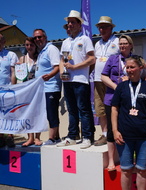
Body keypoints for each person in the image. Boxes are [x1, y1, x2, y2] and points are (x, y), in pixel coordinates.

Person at [111, 55, 146, 190]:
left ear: (140, 68)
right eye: (127, 67)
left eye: (132, 67)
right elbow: (114, 109)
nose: (129, 70)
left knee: (142, 170)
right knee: (126, 170)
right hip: (124, 137)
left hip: (145, 137)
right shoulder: (121, 87)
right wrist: (115, 131)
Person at [57, 10, 95, 149]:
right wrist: (62, 72)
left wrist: (76, 67)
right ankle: (71, 136)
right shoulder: (65, 41)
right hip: (67, 80)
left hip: (80, 79)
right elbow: (62, 60)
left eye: (73, 22)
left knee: (83, 109)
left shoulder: (85, 39)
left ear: (80, 24)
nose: (70, 25)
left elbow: (92, 58)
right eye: (68, 22)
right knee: (71, 110)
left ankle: (87, 137)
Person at [101, 34, 135, 171]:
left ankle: (127, 159)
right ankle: (111, 161)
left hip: (129, 100)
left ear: (131, 45)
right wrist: (116, 87)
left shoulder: (135, 59)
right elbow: (103, 76)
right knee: (111, 129)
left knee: (129, 129)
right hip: (112, 99)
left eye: (125, 43)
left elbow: (144, 75)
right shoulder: (113, 58)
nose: (122, 46)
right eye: (120, 43)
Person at [32, 29, 62, 146]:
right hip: (43, 89)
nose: (37, 39)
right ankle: (57, 137)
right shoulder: (41, 52)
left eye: (39, 37)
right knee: (47, 113)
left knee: (51, 113)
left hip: (51, 87)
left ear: (45, 37)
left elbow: (57, 66)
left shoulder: (51, 49)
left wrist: (49, 75)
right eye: (35, 38)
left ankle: (52, 138)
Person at [93, 16, 119, 146]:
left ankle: (115, 133)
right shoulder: (97, 44)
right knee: (100, 109)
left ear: (111, 28)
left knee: (113, 107)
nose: (101, 29)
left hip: (112, 81)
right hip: (97, 80)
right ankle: (104, 134)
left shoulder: (118, 41)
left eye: (104, 27)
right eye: (100, 27)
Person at [18, 37, 40, 146]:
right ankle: (30, 137)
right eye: (27, 45)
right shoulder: (22, 59)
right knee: (27, 114)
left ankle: (37, 138)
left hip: (37, 90)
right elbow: (19, 76)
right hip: (26, 91)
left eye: (31, 45)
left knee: (37, 114)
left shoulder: (39, 58)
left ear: (35, 46)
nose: (29, 47)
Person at [0, 34, 18, 148]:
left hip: (6, 90)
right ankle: (1, 138)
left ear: (4, 41)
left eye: (0, 40)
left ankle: (10, 137)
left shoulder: (11, 54)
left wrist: (13, 88)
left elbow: (13, 73)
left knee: (9, 115)